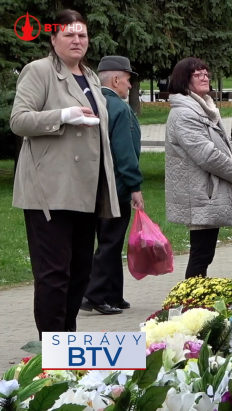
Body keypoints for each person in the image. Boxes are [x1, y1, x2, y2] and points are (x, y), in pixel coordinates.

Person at [10, 9, 120, 338]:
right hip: (50, 190)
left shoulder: (91, 78)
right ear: (53, 38)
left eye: (82, 35)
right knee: (54, 274)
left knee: (80, 273)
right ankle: (52, 347)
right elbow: (19, 120)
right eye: (69, 34)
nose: (76, 40)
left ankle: (67, 337)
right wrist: (63, 115)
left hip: (87, 191)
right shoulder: (39, 71)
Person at [165, 57, 232, 279]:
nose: (205, 78)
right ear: (184, 80)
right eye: (198, 74)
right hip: (199, 192)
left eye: (206, 73)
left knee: (205, 253)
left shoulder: (205, 108)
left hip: (208, 190)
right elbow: (207, 154)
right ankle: (191, 304)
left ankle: (196, 302)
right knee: (201, 254)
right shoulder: (184, 113)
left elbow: (226, 141)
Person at [81, 56, 143, 316]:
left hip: (91, 185)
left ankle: (113, 293)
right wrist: (134, 186)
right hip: (115, 187)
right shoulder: (118, 107)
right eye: (128, 80)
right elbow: (124, 151)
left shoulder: (91, 102)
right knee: (110, 242)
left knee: (106, 240)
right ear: (116, 79)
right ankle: (94, 295)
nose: (129, 86)